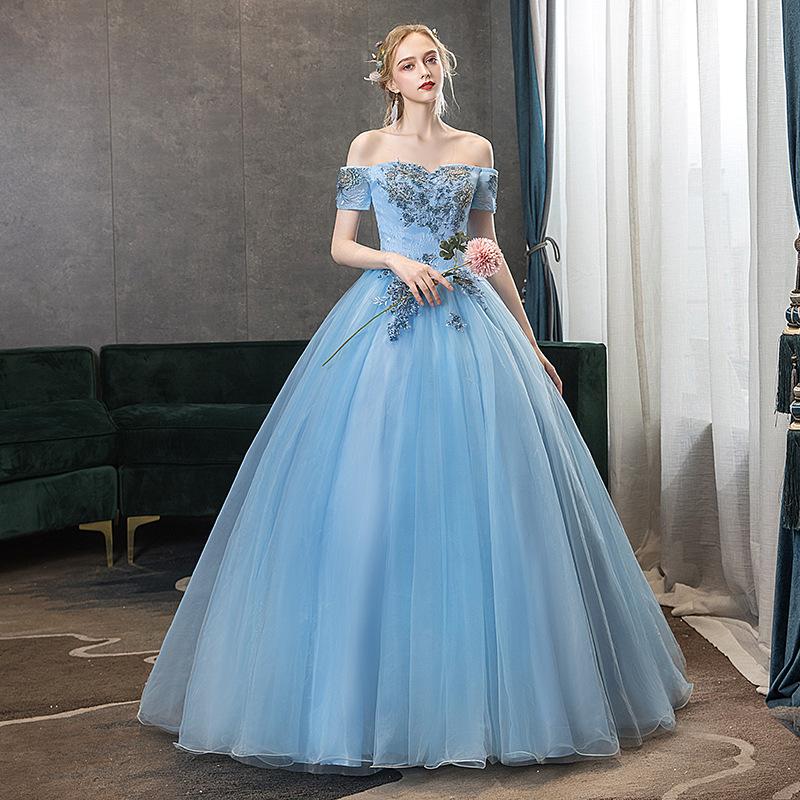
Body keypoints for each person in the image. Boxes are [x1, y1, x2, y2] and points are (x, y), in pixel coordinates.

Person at [136, 22, 693, 776]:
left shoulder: (476, 149)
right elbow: (341, 245)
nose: (424, 70)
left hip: (471, 324)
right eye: (409, 63)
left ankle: (493, 691)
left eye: (432, 59)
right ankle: (364, 693)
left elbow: (487, 251)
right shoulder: (369, 147)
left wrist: (529, 341)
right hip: (389, 322)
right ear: (389, 78)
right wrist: (394, 260)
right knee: (374, 496)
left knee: (485, 500)